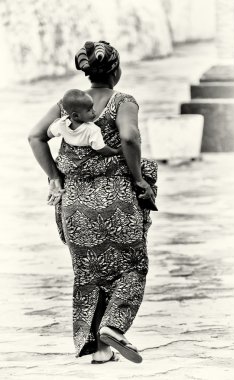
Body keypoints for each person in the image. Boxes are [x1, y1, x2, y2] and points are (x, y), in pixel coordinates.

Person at [28, 40, 158, 364]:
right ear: (116, 70)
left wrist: (55, 177)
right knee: (131, 267)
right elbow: (129, 137)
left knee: (88, 272)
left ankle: (100, 350)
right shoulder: (123, 101)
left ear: (88, 73)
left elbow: (35, 136)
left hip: (74, 202)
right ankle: (114, 326)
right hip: (116, 200)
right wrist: (139, 178)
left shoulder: (67, 104)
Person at [47, 89, 122, 157]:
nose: (94, 111)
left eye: (92, 107)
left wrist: (56, 122)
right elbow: (101, 149)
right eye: (89, 110)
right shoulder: (92, 129)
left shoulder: (61, 123)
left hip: (69, 160)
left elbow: (49, 133)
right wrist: (116, 151)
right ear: (76, 115)